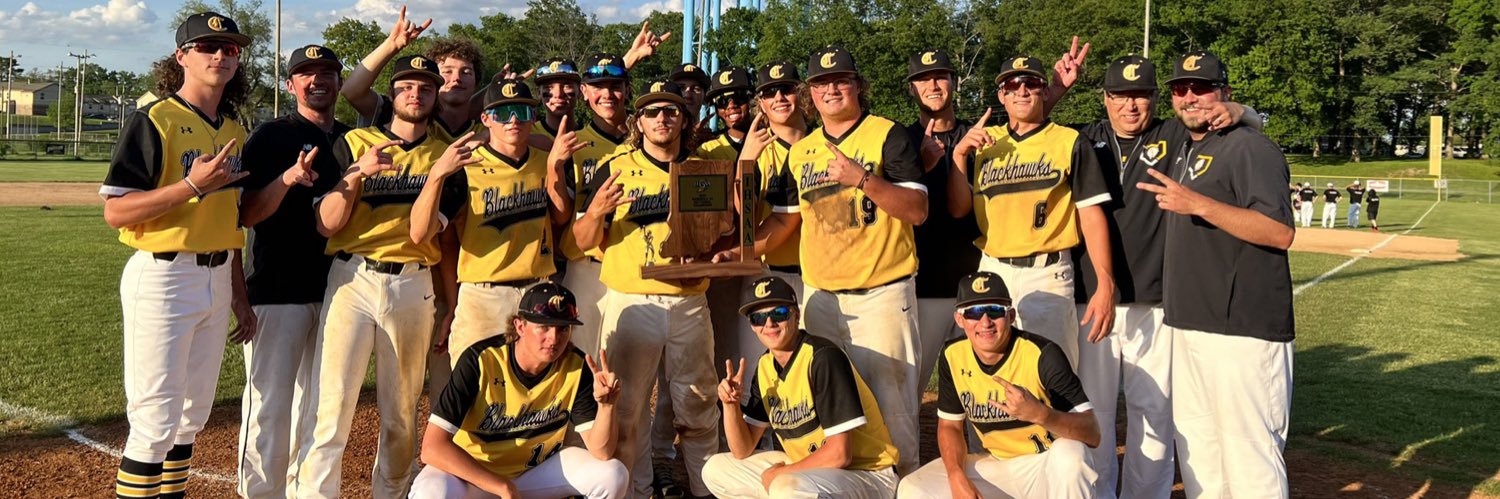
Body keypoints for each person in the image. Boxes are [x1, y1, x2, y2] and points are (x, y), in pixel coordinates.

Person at [1066, 53, 1261, 499]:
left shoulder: (1175, 135)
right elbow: (1032, 122)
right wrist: (1058, 88)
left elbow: (1246, 125)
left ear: (1155, 99)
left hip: (1155, 301)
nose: (1130, 106)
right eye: (1120, 95)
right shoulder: (1084, 138)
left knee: (1152, 411)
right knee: (1090, 408)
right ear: (1105, 98)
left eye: (1141, 95)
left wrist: (1242, 111)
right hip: (1091, 297)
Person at [297, 54, 474, 499]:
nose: (416, 94)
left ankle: (391, 494)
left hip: (413, 283)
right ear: (392, 93)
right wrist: (357, 175)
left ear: (435, 97)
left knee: (400, 414)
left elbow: (421, 233)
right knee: (331, 408)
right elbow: (326, 224)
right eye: (407, 86)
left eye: (426, 87)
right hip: (353, 278)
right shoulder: (353, 142)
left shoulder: (448, 158)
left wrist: (435, 176)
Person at [101, 12, 254, 498]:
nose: (220, 55)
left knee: (191, 418)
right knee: (155, 419)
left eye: (229, 49)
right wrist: (190, 185)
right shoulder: (155, 118)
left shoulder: (234, 126)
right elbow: (116, 211)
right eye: (208, 46)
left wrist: (239, 297)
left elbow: (228, 222)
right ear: (181, 56)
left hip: (215, 275)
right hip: (164, 275)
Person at [761, 46, 929, 474]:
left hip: (882, 294)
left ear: (857, 85)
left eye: (840, 80)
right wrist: (736, 251)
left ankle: (901, 484)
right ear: (809, 95)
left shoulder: (888, 134)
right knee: (830, 411)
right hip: (821, 297)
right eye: (820, 83)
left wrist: (863, 179)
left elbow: (916, 210)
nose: (831, 89)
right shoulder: (801, 152)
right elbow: (784, 224)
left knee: (894, 411)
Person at [1136, 51, 1296, 497]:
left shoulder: (1250, 147)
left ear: (1225, 92)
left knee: (1250, 458)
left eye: (1201, 87)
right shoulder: (1191, 146)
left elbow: (1280, 232)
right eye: (1180, 89)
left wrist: (1199, 205)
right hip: (1191, 324)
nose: (1190, 97)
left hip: (1241, 329)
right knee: (1200, 452)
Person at [573, 81, 720, 498]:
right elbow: (583, 240)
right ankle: (635, 491)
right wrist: (598, 211)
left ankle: (704, 487)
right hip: (631, 300)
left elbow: (723, 234)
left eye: (670, 111)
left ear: (684, 119)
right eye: (652, 111)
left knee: (697, 402)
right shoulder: (615, 166)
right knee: (627, 408)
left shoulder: (702, 168)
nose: (661, 118)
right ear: (638, 121)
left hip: (690, 301)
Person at [234, 44, 350, 497]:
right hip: (276, 290)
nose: (317, 80)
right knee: (268, 406)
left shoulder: (349, 139)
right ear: (290, 85)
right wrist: (286, 180)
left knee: (319, 408)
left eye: (326, 72)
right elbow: (245, 215)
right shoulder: (270, 137)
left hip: (338, 290)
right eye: (306, 73)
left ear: (340, 82)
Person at [949, 54, 1116, 363]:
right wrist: (959, 157)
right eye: (1012, 85)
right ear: (1001, 94)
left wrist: (1105, 283)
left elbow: (1092, 216)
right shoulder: (984, 142)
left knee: (1053, 371)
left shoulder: (1069, 141)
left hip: (1047, 271)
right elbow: (959, 209)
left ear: (1044, 91)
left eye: (1031, 84)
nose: (1022, 91)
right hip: (993, 269)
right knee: (993, 371)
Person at [410, 282, 630, 499]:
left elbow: (602, 452)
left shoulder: (576, 366)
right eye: (544, 327)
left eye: (563, 328)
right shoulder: (482, 360)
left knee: (613, 475)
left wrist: (606, 406)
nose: (554, 338)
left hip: (534, 473)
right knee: (430, 493)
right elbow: (432, 448)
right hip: (472, 474)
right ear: (520, 326)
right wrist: (501, 487)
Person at [896, 271, 1100, 499]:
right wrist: (955, 475)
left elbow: (1092, 432)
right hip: (996, 465)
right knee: (914, 488)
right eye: (973, 312)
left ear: (1011, 316)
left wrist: (1042, 415)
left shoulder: (1042, 354)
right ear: (959, 319)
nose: (985, 322)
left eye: (994, 310)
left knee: (1072, 454)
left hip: (1045, 466)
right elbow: (950, 427)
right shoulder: (953, 355)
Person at [410, 79, 572, 361]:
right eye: (502, 113)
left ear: (533, 117)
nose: (512, 121)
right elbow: (420, 234)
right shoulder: (466, 168)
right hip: (483, 294)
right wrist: (437, 174)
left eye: (521, 112)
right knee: (473, 390)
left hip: (536, 289)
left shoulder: (544, 160)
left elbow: (560, 217)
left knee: (533, 389)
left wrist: (555, 168)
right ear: (485, 119)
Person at [703, 276, 899, 498]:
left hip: (867, 474)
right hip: (811, 471)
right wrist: (731, 405)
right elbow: (742, 449)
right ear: (752, 326)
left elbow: (841, 454)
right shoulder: (765, 366)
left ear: (796, 314)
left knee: (787, 488)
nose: (769, 324)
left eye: (779, 313)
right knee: (715, 470)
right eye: (758, 317)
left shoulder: (823, 358)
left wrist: (782, 473)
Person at [903, 48, 982, 394]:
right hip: (923, 285)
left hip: (976, 281)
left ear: (953, 81)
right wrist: (920, 164)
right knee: (912, 387)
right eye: (923, 78)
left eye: (940, 76)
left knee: (984, 391)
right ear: (912, 88)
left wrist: (1053, 94)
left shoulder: (980, 135)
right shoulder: (900, 141)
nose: (933, 84)